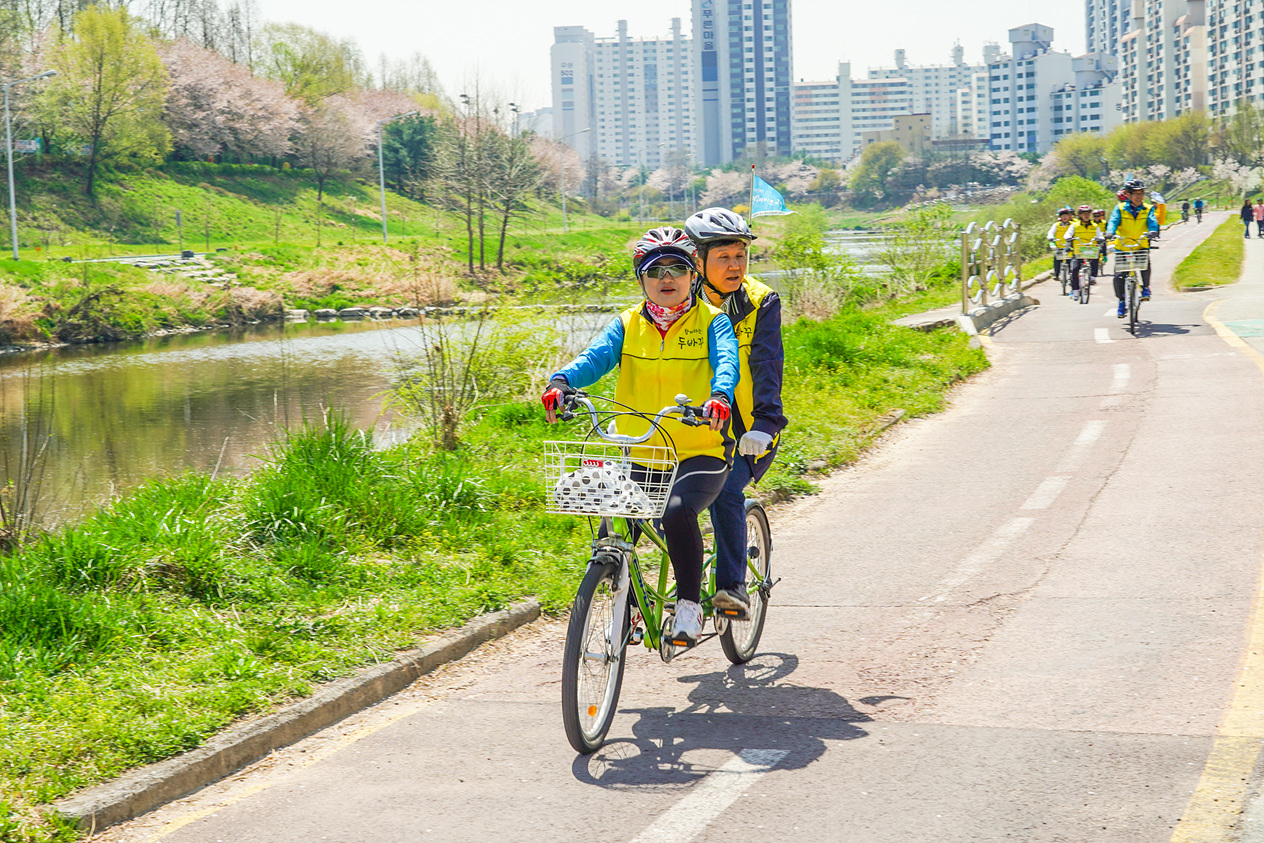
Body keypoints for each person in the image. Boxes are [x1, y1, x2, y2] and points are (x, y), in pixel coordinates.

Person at [542, 227, 739, 646]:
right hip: (642, 450)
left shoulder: (713, 321)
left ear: (694, 275)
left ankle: (688, 606)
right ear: (641, 279)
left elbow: (727, 362)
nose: (667, 278)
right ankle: (627, 607)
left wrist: (720, 396)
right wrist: (562, 381)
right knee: (613, 520)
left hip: (699, 451)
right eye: (656, 270)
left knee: (676, 511)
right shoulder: (627, 324)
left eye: (678, 269)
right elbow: (594, 358)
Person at [684, 207, 788, 619]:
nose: (735, 266)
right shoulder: (676, 298)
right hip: (689, 427)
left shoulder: (760, 302)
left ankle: (733, 588)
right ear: (698, 260)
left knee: (725, 489)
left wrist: (765, 423)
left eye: (741, 255)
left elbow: (767, 366)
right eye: (723, 257)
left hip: (746, 431)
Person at [1106, 179, 1159, 317]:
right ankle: (1122, 301)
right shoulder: (1120, 208)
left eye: (1141, 193)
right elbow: (1113, 221)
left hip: (1140, 244)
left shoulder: (1148, 208)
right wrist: (1110, 232)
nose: (1139, 196)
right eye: (1135, 193)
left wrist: (1153, 231)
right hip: (1123, 246)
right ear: (1128, 195)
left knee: (1145, 266)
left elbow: (1152, 221)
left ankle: (1145, 288)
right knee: (1118, 277)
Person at [1064, 205, 1100, 303]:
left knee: (1096, 258)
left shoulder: (1095, 226)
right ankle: (1075, 291)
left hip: (1091, 250)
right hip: (1078, 251)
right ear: (1079, 215)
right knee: (1074, 270)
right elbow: (1067, 234)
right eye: (1084, 214)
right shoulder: (1074, 226)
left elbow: (1100, 235)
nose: (1086, 216)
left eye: (1088, 214)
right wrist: (1068, 237)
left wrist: (1101, 238)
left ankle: (1092, 277)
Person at [1047, 207, 1075, 284]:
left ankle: (1071, 275)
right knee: (1057, 259)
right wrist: (1051, 238)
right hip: (1059, 246)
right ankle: (1056, 274)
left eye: (1066, 215)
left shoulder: (1073, 225)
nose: (1064, 217)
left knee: (1070, 260)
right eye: (1063, 216)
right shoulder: (1056, 225)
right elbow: (1051, 232)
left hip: (1070, 246)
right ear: (1060, 217)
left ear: (1069, 216)